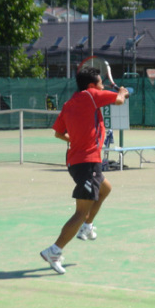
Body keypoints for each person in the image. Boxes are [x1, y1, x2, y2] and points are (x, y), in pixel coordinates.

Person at [40, 67, 130, 274]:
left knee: (105, 189)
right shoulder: (91, 95)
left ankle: (87, 227)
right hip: (88, 163)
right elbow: (119, 100)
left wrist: (77, 140)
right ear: (92, 86)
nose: (103, 87)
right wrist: (122, 92)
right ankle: (54, 250)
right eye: (101, 84)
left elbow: (58, 133)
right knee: (80, 212)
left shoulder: (69, 103)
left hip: (76, 162)